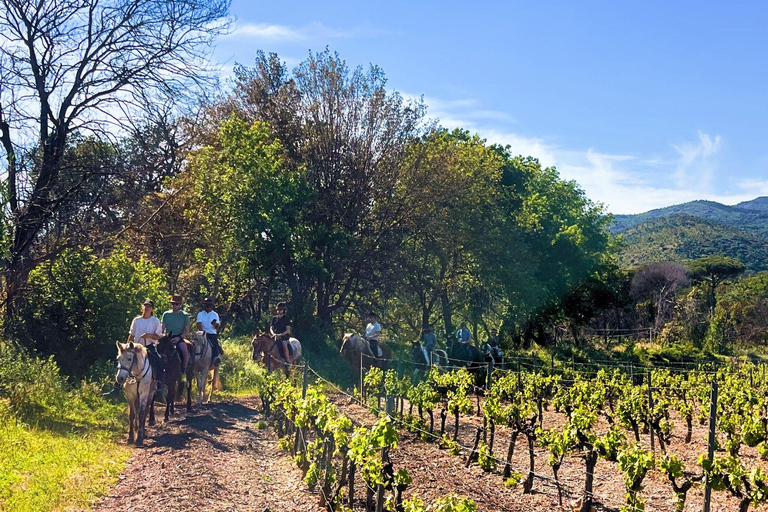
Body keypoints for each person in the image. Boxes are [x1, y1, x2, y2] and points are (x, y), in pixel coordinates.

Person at [128, 299, 165, 384]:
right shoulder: (136, 320)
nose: (147, 308)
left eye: (149, 307)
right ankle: (118, 385)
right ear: (142, 308)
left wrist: (149, 335)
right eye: (145, 306)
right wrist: (128, 346)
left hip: (149, 347)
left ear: (152, 309)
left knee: (158, 362)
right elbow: (131, 335)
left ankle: (159, 383)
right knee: (124, 360)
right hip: (136, 347)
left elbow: (158, 337)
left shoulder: (155, 321)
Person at [161, 295, 190, 373]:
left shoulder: (184, 315)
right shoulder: (166, 314)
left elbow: (187, 331)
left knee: (184, 351)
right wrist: (162, 336)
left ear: (180, 305)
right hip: (167, 337)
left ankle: (183, 370)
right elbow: (162, 328)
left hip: (179, 337)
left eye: (176, 304)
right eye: (173, 304)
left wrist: (179, 338)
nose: (174, 306)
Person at [196, 298, 222, 365]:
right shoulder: (200, 314)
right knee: (195, 342)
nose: (208, 307)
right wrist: (203, 333)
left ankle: (216, 358)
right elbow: (199, 325)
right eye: (207, 305)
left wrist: (215, 324)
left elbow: (217, 327)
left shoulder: (215, 315)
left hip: (211, 333)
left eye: (210, 305)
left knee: (215, 344)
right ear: (204, 306)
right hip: (202, 333)